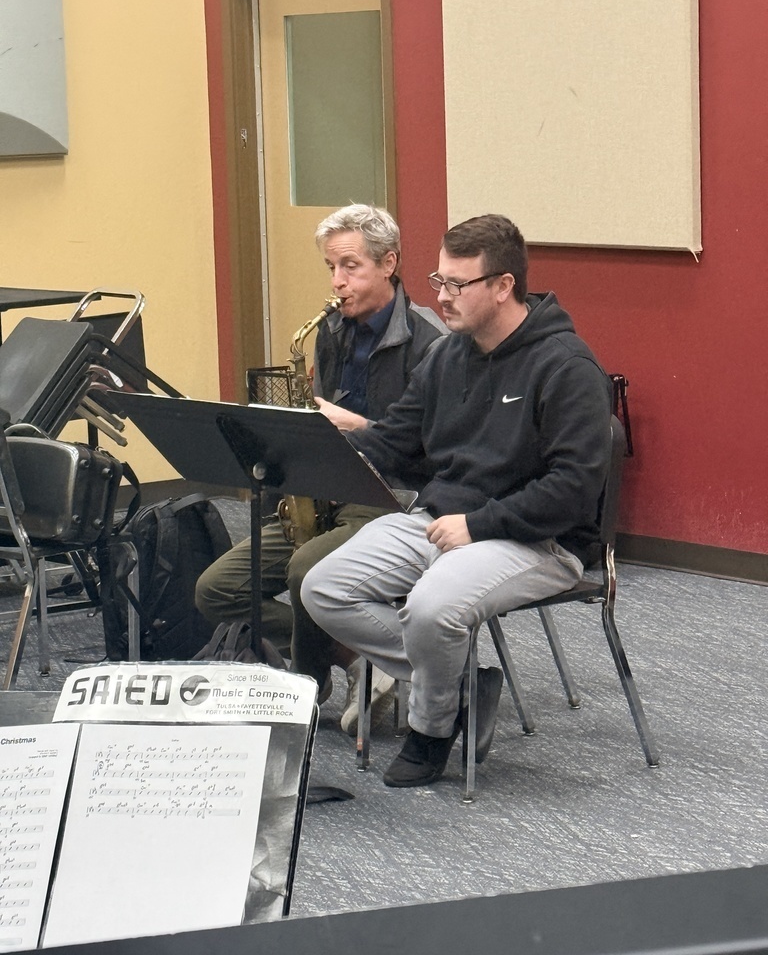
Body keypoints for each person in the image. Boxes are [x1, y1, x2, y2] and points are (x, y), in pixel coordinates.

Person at [301, 213, 612, 787]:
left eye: (456, 285)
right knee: (322, 587)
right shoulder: (447, 357)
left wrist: (480, 523)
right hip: (443, 519)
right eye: (437, 280)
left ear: (502, 286)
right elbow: (395, 443)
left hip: (537, 537)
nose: (440, 296)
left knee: (430, 607)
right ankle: (457, 684)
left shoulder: (567, 367)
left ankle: (433, 727)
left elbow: (573, 488)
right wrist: (316, 439)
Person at [195, 203, 447, 731]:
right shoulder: (332, 330)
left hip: (391, 495)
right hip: (325, 485)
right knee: (215, 590)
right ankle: (354, 654)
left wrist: (349, 423)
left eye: (350, 266)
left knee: (305, 569)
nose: (337, 282)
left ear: (389, 263)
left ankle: (303, 693)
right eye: (331, 268)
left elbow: (437, 450)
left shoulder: (431, 343)